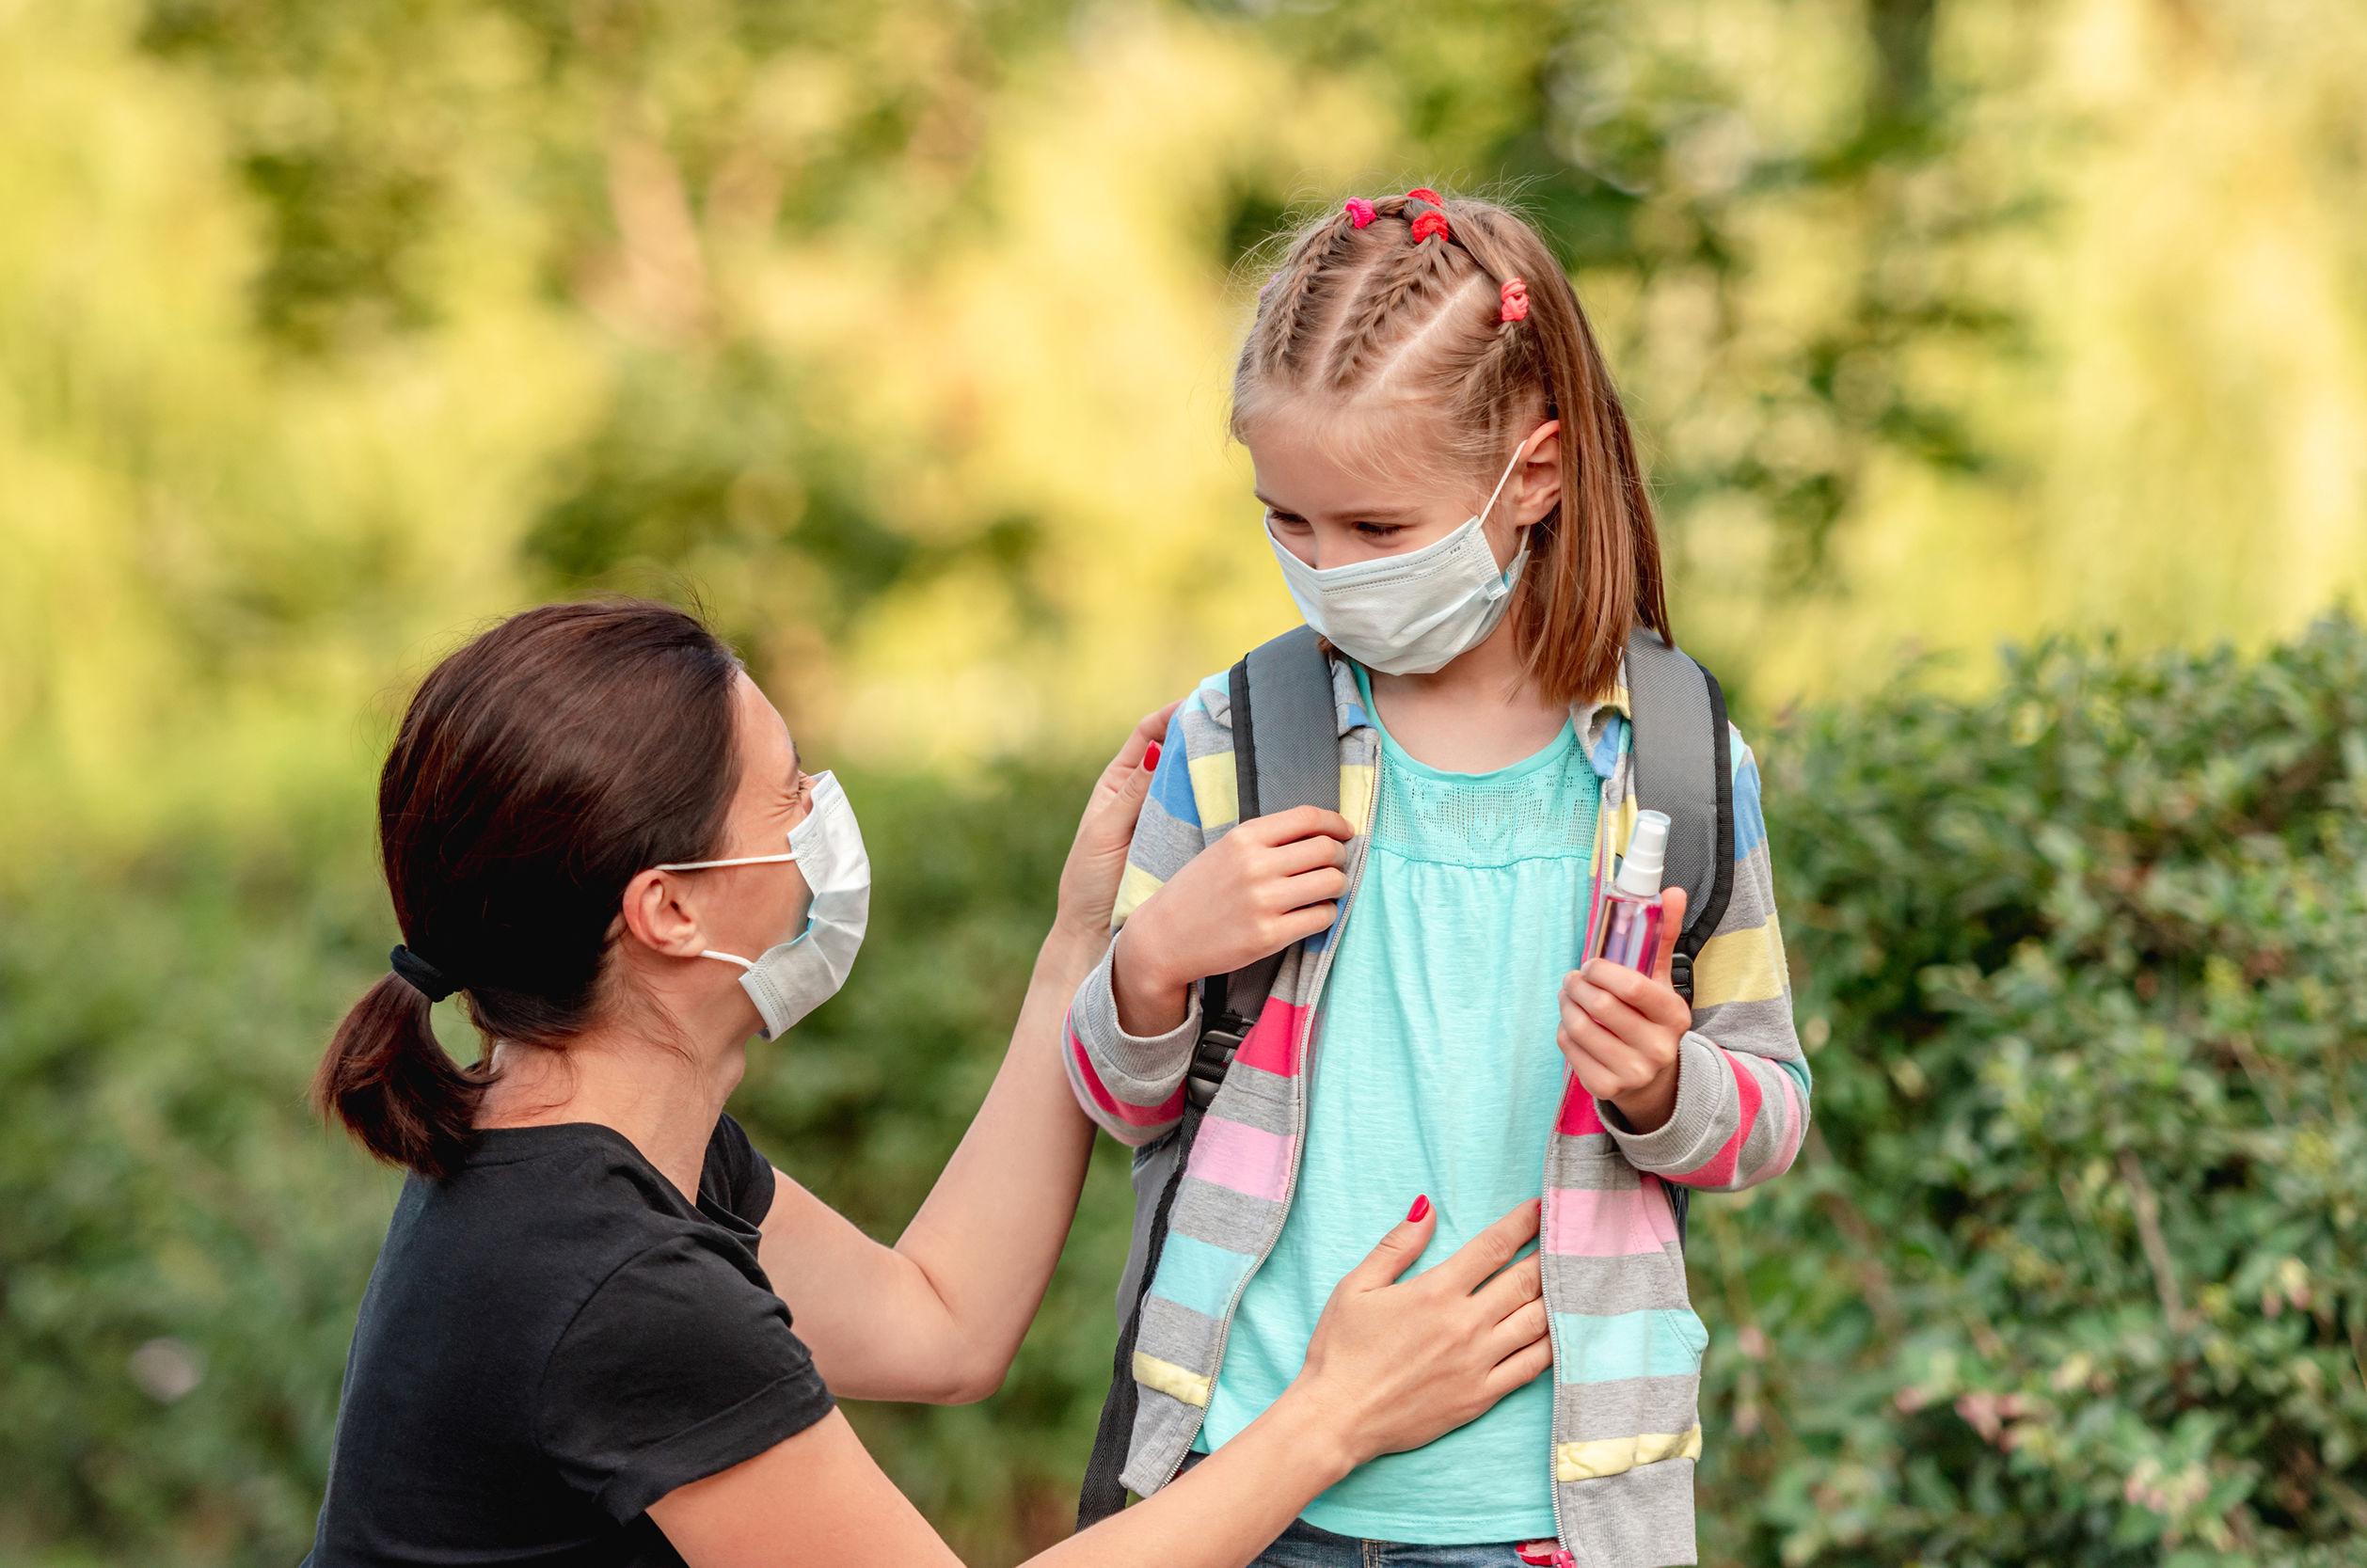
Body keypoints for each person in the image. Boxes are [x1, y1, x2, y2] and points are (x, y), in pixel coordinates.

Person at [300, 597, 1550, 1568]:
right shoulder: (612, 1282)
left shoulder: (590, 1158)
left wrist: (1083, 942)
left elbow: (940, 1323)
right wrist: (1337, 1413)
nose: (819, 817)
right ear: (670, 908)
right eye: (787, 788)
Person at [1063, 189, 1814, 1568]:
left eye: (1376, 528)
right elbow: (1118, 1102)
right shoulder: (1237, 740)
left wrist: (1662, 1085)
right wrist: (1158, 959)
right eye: (1285, 520)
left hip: (1547, 1518)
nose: (1325, 571)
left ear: (1532, 476)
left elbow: (1766, 1117)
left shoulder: (1676, 769)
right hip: (1243, 1484)